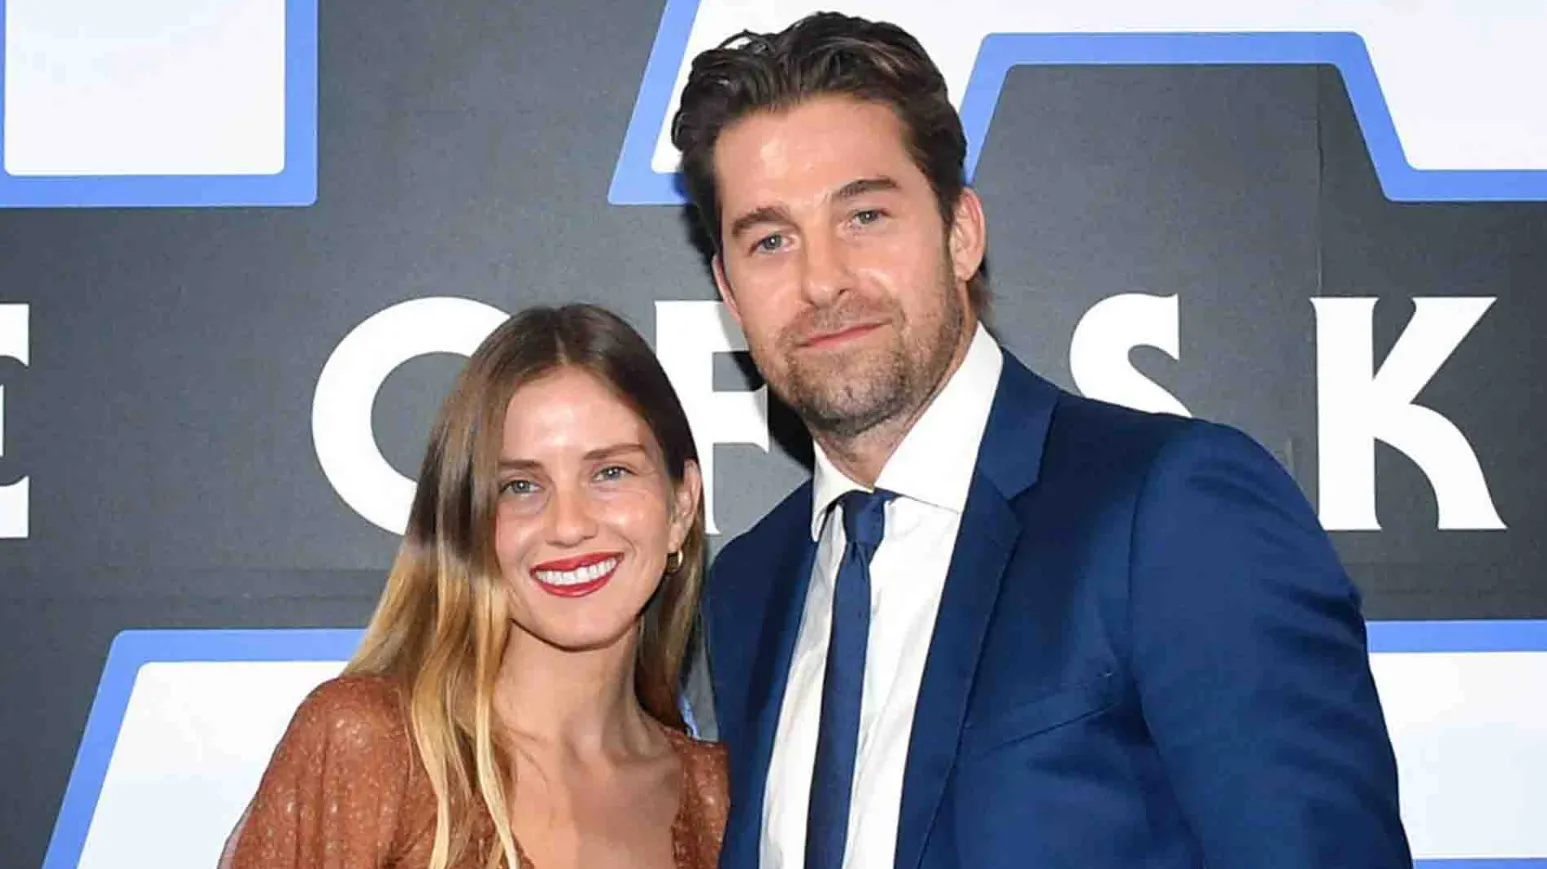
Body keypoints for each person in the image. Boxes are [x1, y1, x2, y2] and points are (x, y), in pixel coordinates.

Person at [672, 12, 1411, 869]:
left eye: (864, 215)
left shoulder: (1170, 509)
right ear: (729, 290)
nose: (822, 279)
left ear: (960, 233)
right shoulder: (751, 586)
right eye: (770, 240)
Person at [220, 305, 727, 869]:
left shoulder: (720, 800)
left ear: (681, 507)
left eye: (610, 472)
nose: (569, 525)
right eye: (520, 486)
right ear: (466, 523)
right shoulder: (371, 746)